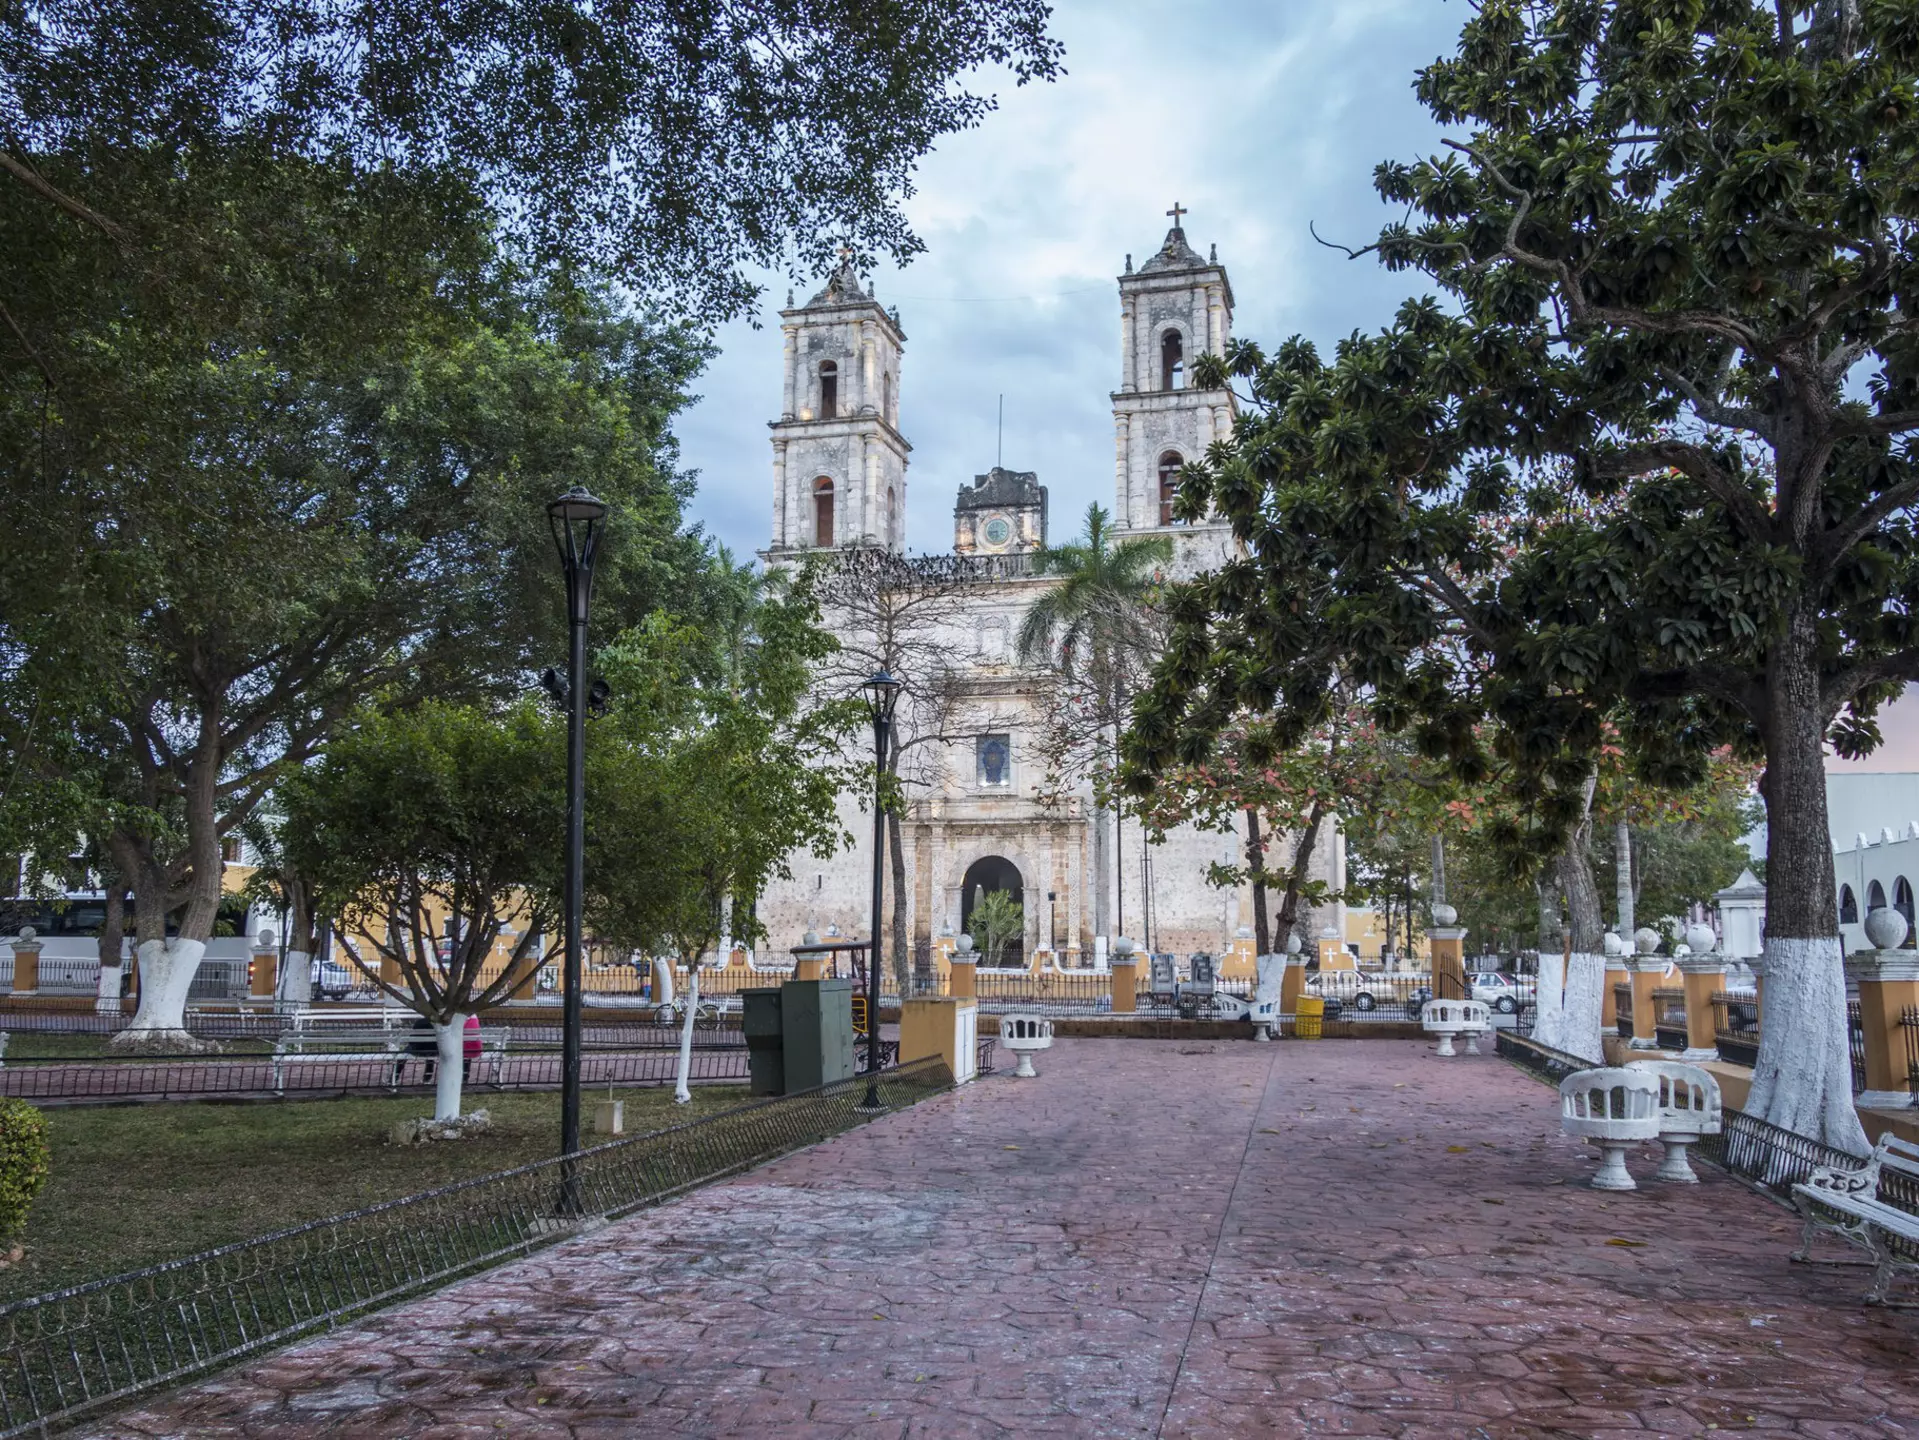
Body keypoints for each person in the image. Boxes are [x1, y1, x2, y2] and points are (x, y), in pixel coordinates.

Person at [400, 1014, 437, 1086]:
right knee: (430, 1058)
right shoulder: (438, 1024)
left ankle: (395, 1076)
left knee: (402, 1055)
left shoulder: (419, 1022)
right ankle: (427, 1078)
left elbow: (411, 1039)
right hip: (433, 1050)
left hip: (417, 1049)